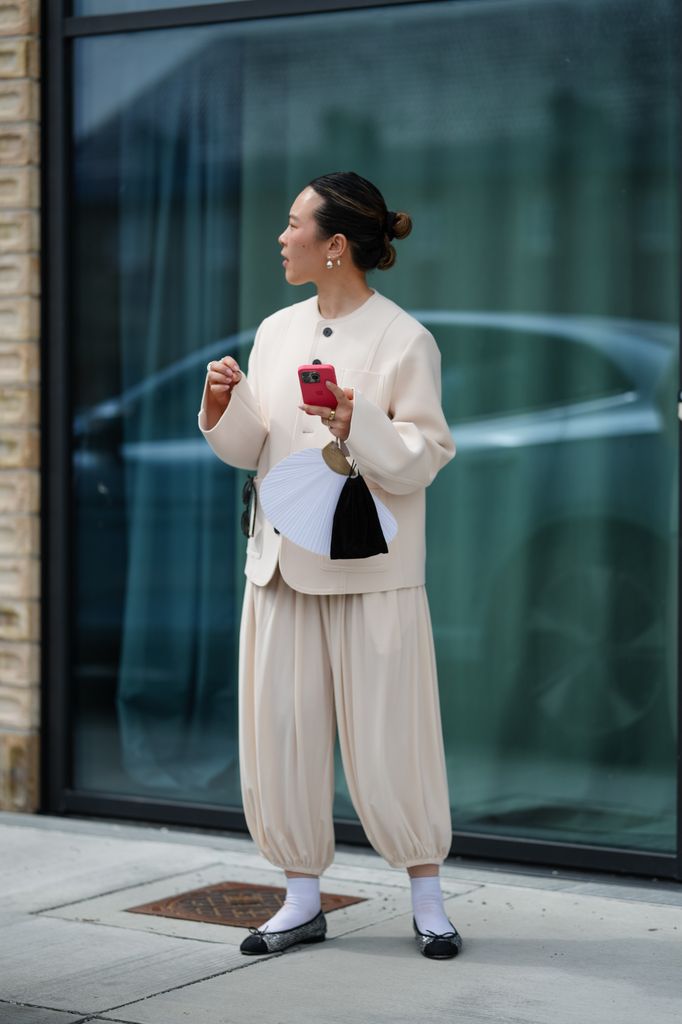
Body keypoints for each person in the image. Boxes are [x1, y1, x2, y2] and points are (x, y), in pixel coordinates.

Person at [199, 171, 461, 960]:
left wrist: (361, 420)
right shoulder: (276, 331)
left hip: (371, 575)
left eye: (293, 225)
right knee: (281, 733)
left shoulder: (405, 339)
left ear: (335, 245)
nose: (281, 237)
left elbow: (424, 458)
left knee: (393, 737)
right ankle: (300, 899)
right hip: (280, 564)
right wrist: (224, 405)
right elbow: (255, 450)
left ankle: (428, 900)